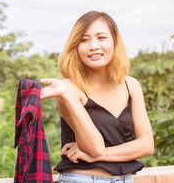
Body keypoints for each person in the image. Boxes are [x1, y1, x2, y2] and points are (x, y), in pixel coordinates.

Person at [39, 11, 154, 183]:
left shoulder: (131, 85)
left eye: (101, 38)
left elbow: (146, 145)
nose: (93, 46)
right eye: (84, 40)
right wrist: (67, 96)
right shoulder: (67, 88)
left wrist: (98, 156)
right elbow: (94, 147)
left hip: (126, 180)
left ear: (114, 41)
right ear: (75, 47)